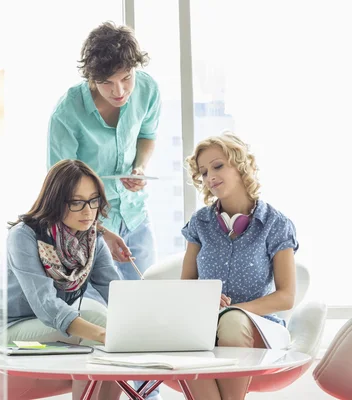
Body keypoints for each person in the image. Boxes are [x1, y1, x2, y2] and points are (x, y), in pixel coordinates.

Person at [181, 132, 298, 399]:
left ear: (241, 166)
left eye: (218, 165)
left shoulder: (275, 224)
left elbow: (286, 296)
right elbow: (186, 285)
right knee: (182, 335)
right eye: (203, 171)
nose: (209, 176)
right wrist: (205, 300)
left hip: (259, 327)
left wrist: (234, 310)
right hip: (206, 325)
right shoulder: (200, 223)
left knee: (233, 321)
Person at [47, 21, 162, 286]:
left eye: (126, 78)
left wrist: (139, 168)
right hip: (90, 225)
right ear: (90, 77)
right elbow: (60, 189)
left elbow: (147, 135)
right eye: (106, 83)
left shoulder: (147, 90)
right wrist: (101, 233)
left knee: (149, 300)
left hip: (136, 216)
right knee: (103, 310)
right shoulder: (66, 114)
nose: (119, 91)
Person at [4, 159, 122, 400]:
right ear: (56, 201)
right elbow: (46, 306)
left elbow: (117, 292)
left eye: (93, 200)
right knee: (96, 322)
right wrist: (104, 333)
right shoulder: (23, 236)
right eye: (77, 202)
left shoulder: (92, 241)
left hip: (52, 328)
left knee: (109, 325)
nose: (88, 211)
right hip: (11, 329)